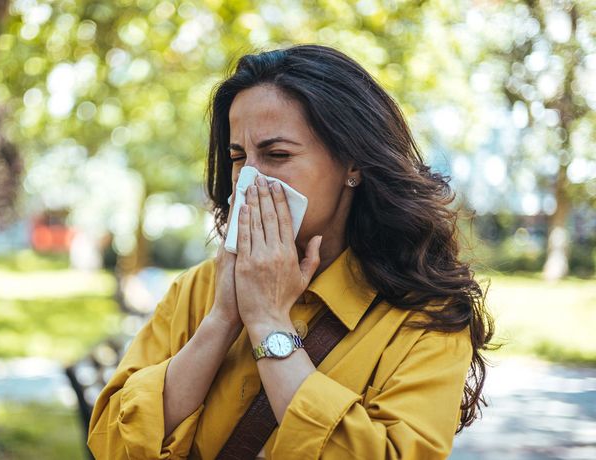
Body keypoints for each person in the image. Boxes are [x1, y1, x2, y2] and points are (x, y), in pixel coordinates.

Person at [87, 44, 494, 459]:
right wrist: (223, 319)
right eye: (237, 156)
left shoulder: (424, 317)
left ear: (353, 164)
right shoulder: (199, 289)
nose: (250, 179)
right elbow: (112, 443)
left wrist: (267, 322)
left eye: (277, 155)